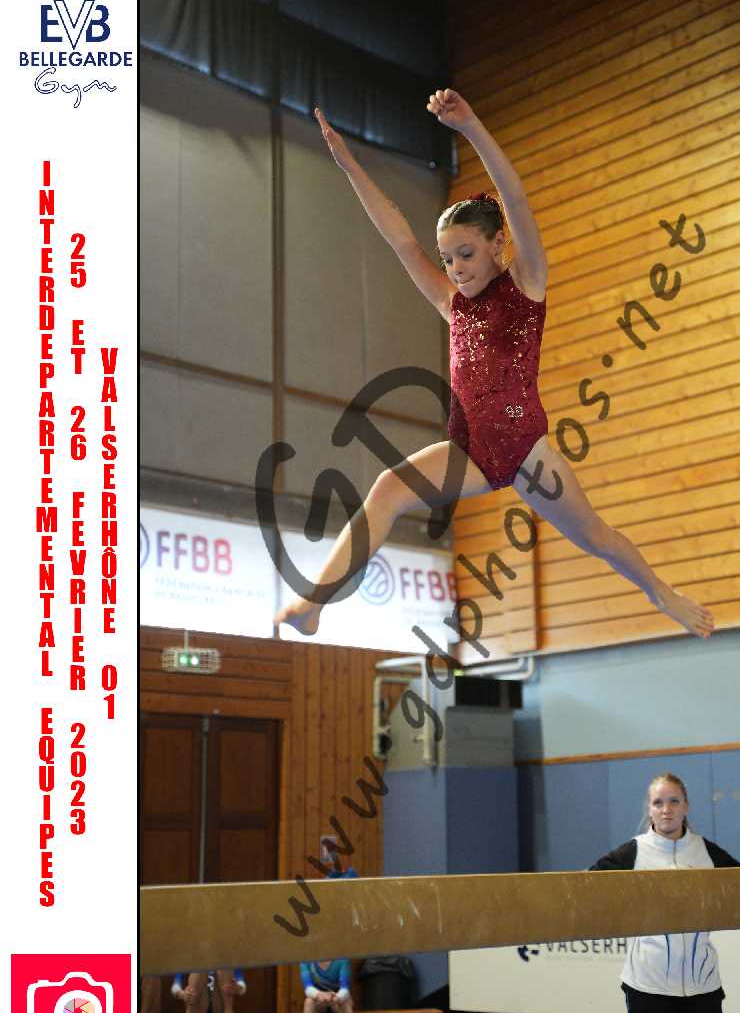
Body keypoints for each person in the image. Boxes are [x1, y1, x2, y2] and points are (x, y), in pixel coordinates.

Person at [274, 90, 714, 642]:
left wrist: (471, 129)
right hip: (469, 453)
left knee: (597, 538)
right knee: (387, 488)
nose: (455, 268)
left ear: (498, 244)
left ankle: (661, 594)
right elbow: (401, 239)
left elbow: (518, 199)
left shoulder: (526, 285)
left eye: (466, 254)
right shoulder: (452, 304)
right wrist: (350, 167)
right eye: (447, 258)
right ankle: (314, 602)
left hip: (528, 453)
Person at [589, 771, 740, 1013]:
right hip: (648, 984)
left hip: (702, 984)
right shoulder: (632, 853)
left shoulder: (706, 852)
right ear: (649, 809)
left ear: (686, 806)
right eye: (658, 803)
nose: (666, 810)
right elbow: (585, 887)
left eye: (674, 801)